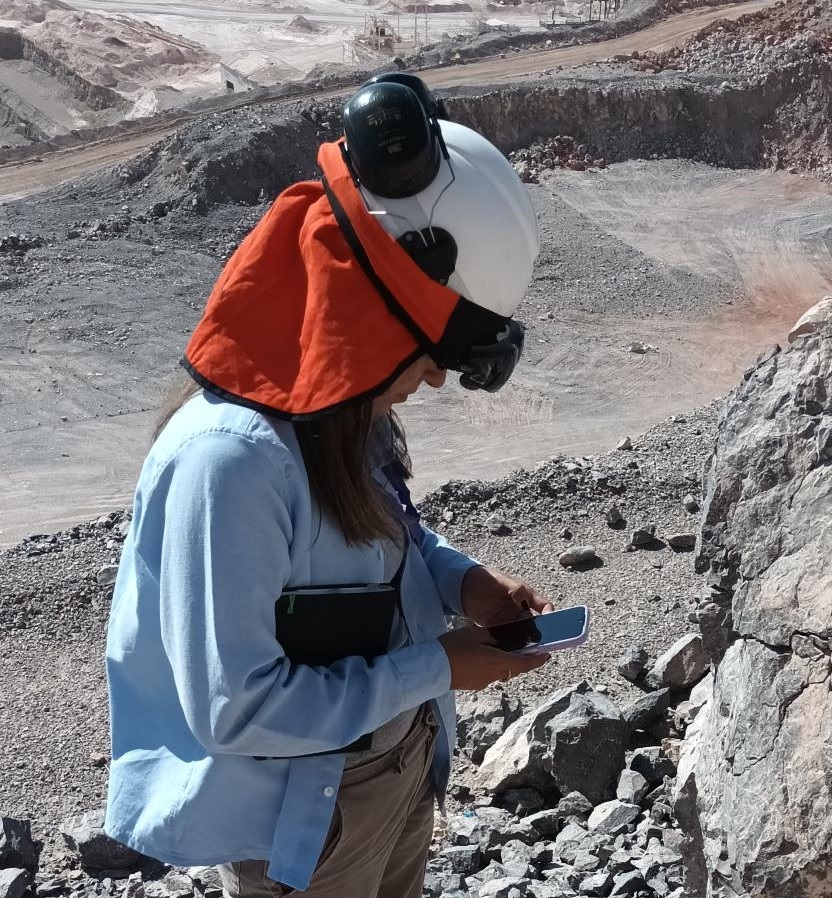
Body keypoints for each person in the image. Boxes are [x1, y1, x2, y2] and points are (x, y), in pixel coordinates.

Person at [104, 74, 546, 897]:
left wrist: (462, 581)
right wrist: (437, 669)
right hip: (313, 824)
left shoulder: (343, 415)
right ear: (380, 315)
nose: (439, 384)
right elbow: (239, 709)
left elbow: (384, 538)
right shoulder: (228, 467)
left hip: (395, 773)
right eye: (436, 356)